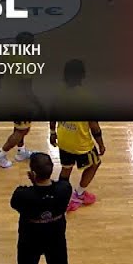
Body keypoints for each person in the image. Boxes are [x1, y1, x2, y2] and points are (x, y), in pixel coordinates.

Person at [9, 152, 73, 264]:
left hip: (30, 241)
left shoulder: (23, 195)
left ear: (32, 173)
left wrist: (34, 184)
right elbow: (56, 190)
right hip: (56, 240)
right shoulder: (64, 190)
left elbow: (15, 203)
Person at [50, 59, 104, 212]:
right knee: (95, 163)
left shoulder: (58, 93)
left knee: (66, 168)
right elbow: (94, 126)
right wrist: (101, 143)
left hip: (63, 139)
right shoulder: (86, 98)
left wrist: (52, 132)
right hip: (80, 143)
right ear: (83, 75)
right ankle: (78, 194)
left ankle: (60, 199)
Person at [0, 31, 40, 169]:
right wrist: (39, 105)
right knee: (22, 131)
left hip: (9, 96)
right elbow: (27, 90)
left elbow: (0, 70)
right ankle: (0, 154)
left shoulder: (9, 53)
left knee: (19, 127)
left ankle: (21, 151)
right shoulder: (26, 63)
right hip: (21, 101)